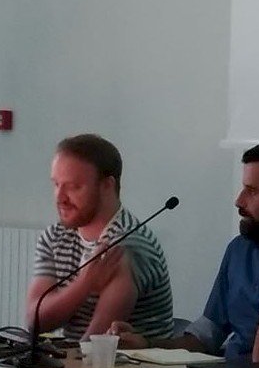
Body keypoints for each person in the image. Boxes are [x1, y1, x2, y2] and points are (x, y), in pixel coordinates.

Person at [112, 138, 259, 361]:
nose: (239, 201)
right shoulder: (239, 249)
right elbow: (206, 335)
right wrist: (147, 344)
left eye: (252, 191)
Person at [25, 134, 174, 341]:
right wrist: (85, 283)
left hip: (123, 362)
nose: (60, 198)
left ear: (107, 186)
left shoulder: (126, 245)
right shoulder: (55, 236)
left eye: (74, 187)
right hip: (76, 358)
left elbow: (96, 343)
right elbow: (35, 322)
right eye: (56, 184)